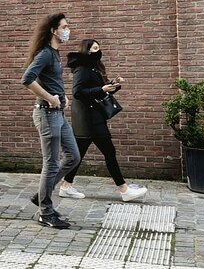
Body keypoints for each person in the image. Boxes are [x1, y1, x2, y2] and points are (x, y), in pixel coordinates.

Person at [62, 39, 148, 202]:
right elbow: (78, 92)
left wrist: (113, 84)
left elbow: (97, 91)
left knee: (78, 155)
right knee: (108, 152)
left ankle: (66, 186)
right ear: (87, 51)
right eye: (95, 48)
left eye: (99, 48)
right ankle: (124, 190)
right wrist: (101, 88)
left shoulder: (93, 68)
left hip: (92, 118)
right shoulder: (82, 69)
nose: (98, 51)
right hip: (89, 119)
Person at [21, 13, 80, 229]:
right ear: (54, 31)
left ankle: (41, 195)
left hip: (58, 115)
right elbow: (27, 79)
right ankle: (45, 212)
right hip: (47, 115)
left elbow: (51, 81)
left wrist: (61, 97)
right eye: (64, 27)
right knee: (52, 163)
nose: (67, 30)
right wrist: (50, 98)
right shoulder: (46, 53)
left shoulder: (55, 53)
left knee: (73, 156)